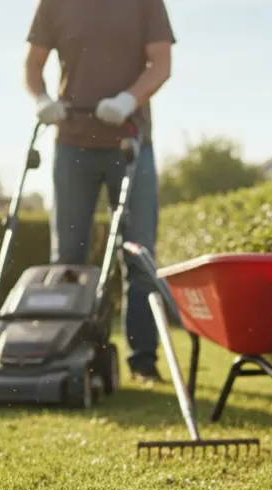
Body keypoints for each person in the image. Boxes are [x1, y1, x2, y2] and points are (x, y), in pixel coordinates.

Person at [24, 0, 176, 383]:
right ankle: (70, 352)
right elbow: (32, 65)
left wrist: (129, 100)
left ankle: (142, 361)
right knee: (68, 259)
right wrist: (42, 99)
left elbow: (161, 64)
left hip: (130, 143)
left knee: (138, 255)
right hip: (72, 144)